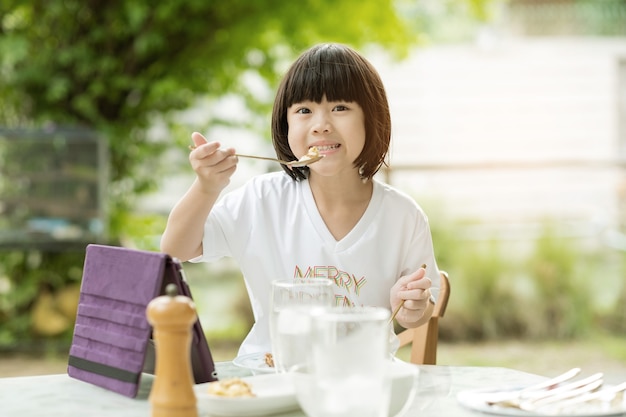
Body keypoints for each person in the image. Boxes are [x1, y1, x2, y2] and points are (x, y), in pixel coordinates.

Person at [161, 43, 440, 356]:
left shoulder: (403, 216)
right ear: (286, 124)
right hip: (269, 378)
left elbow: (420, 308)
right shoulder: (262, 200)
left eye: (340, 108)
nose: (321, 124)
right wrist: (206, 188)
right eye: (304, 111)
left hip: (362, 380)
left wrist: (411, 306)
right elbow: (175, 249)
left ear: (372, 119)